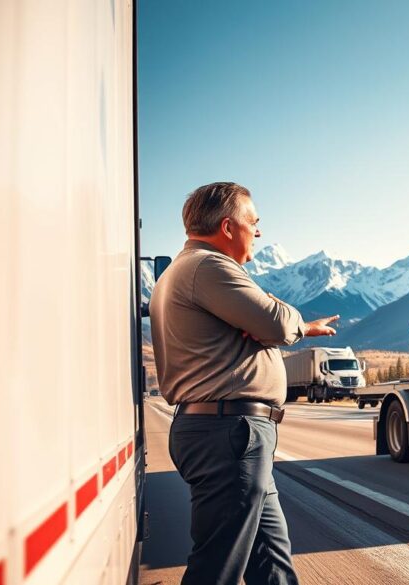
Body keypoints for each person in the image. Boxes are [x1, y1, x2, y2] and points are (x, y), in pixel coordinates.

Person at [150, 182, 338, 585]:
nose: (259, 231)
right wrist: (276, 310)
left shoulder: (189, 270)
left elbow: (270, 326)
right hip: (228, 434)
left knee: (271, 562)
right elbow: (274, 322)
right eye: (253, 221)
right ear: (228, 226)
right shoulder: (209, 268)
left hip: (230, 433)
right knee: (217, 568)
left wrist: (274, 321)